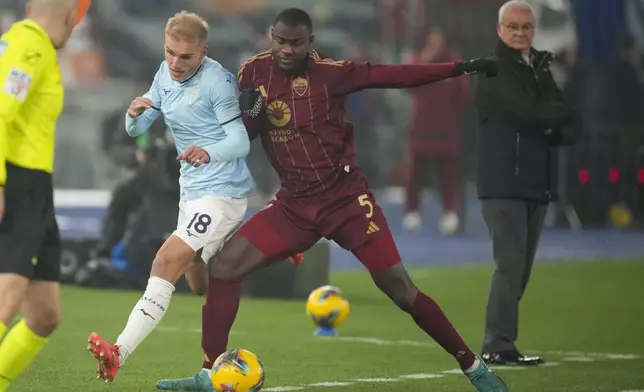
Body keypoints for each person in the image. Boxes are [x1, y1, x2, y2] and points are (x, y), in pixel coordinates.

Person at [157, 8, 509, 392]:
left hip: (346, 201)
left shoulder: (331, 73)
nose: (286, 50)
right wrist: (248, 117)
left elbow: (391, 76)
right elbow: (248, 136)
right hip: (294, 206)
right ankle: (209, 375)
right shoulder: (253, 73)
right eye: (280, 42)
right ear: (270, 38)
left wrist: (460, 68)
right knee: (225, 266)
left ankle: (473, 366)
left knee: (401, 291)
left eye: (296, 43)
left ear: (311, 44)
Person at [86, 11, 255, 382]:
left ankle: (118, 352)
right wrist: (134, 115)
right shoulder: (165, 74)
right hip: (191, 190)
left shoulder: (219, 83)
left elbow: (240, 141)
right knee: (198, 278)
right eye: (170, 53)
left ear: (203, 51)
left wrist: (208, 152)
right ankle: (256, 252)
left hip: (222, 191)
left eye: (186, 57)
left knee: (165, 259)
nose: (176, 63)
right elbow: (140, 127)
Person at [475, 0, 581, 366]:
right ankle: (496, 345)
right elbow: (530, 114)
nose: (521, 33)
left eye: (526, 27)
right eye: (513, 26)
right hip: (504, 183)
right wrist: (550, 116)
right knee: (509, 266)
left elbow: (571, 123)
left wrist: (548, 118)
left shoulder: (539, 68)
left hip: (536, 182)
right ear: (499, 30)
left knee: (519, 271)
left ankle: (500, 340)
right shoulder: (491, 70)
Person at [0, 0, 87, 390]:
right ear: (71, 16)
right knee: (8, 295)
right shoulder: (29, 46)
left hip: (36, 188)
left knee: (44, 315)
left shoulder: (27, 46)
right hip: (17, 181)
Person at [403, 26, 470, 234]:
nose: (435, 45)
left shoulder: (454, 64)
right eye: (432, 40)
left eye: (439, 40)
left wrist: (453, 117)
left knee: (448, 173)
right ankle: (412, 211)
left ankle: (450, 212)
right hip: (421, 126)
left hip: (446, 129)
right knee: (416, 172)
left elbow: (465, 95)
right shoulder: (417, 60)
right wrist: (424, 60)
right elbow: (404, 83)